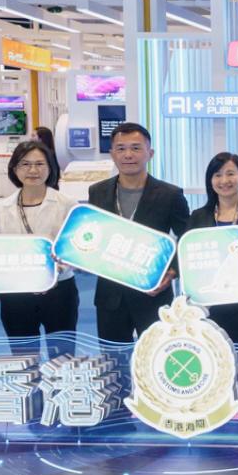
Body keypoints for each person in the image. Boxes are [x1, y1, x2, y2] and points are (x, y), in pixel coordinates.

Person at [86, 122, 190, 343]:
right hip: (110, 296)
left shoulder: (170, 195)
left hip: (153, 293)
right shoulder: (97, 192)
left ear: (149, 153)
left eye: (135, 148)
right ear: (112, 154)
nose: (128, 155)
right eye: (121, 148)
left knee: (156, 354)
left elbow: (186, 239)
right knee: (112, 358)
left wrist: (172, 272)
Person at [0, 140, 79, 348]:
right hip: (16, 292)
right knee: (23, 355)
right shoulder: (0, 209)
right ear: (14, 169)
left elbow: (75, 251)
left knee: (62, 355)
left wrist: (58, 268)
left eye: (40, 164)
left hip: (58, 290)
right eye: (25, 164)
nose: (33, 170)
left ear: (50, 167)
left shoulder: (67, 205)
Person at [187, 152, 238, 347]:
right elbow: (187, 260)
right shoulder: (198, 217)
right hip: (208, 308)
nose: (224, 180)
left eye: (230, 174)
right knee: (213, 362)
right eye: (217, 175)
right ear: (210, 181)